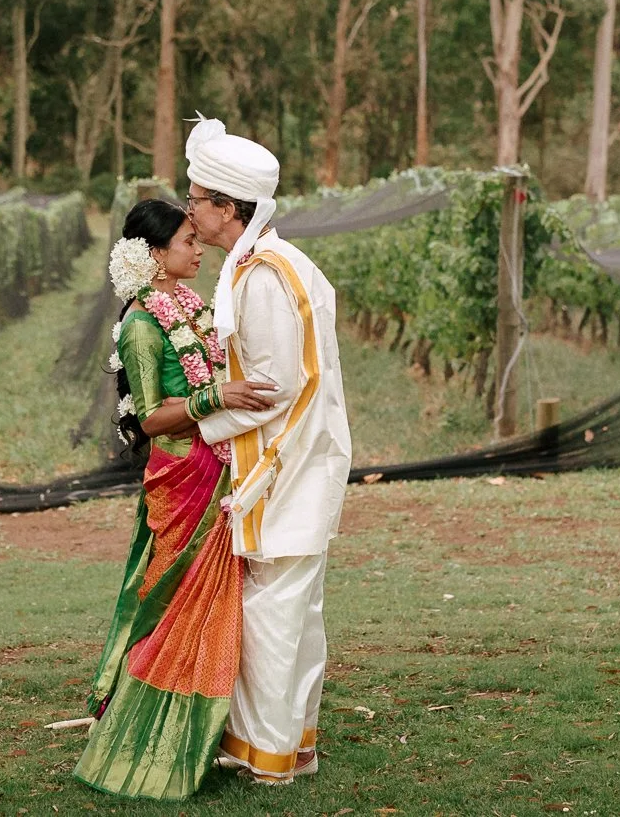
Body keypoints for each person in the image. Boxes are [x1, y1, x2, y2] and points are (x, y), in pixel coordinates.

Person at [74, 198, 281, 800]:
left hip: (213, 470)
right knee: (171, 603)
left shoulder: (189, 307)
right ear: (156, 256)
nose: (198, 249)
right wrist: (218, 398)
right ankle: (145, 742)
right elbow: (150, 419)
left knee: (208, 604)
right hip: (182, 477)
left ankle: (205, 729)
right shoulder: (142, 323)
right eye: (189, 241)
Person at [184, 117, 354, 785]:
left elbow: (273, 386)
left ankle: (266, 757)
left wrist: (203, 411)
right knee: (295, 610)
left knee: (273, 616)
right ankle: (292, 747)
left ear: (228, 209)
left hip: (284, 469)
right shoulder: (281, 262)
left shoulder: (259, 277)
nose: (189, 208)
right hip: (305, 463)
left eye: (197, 197)